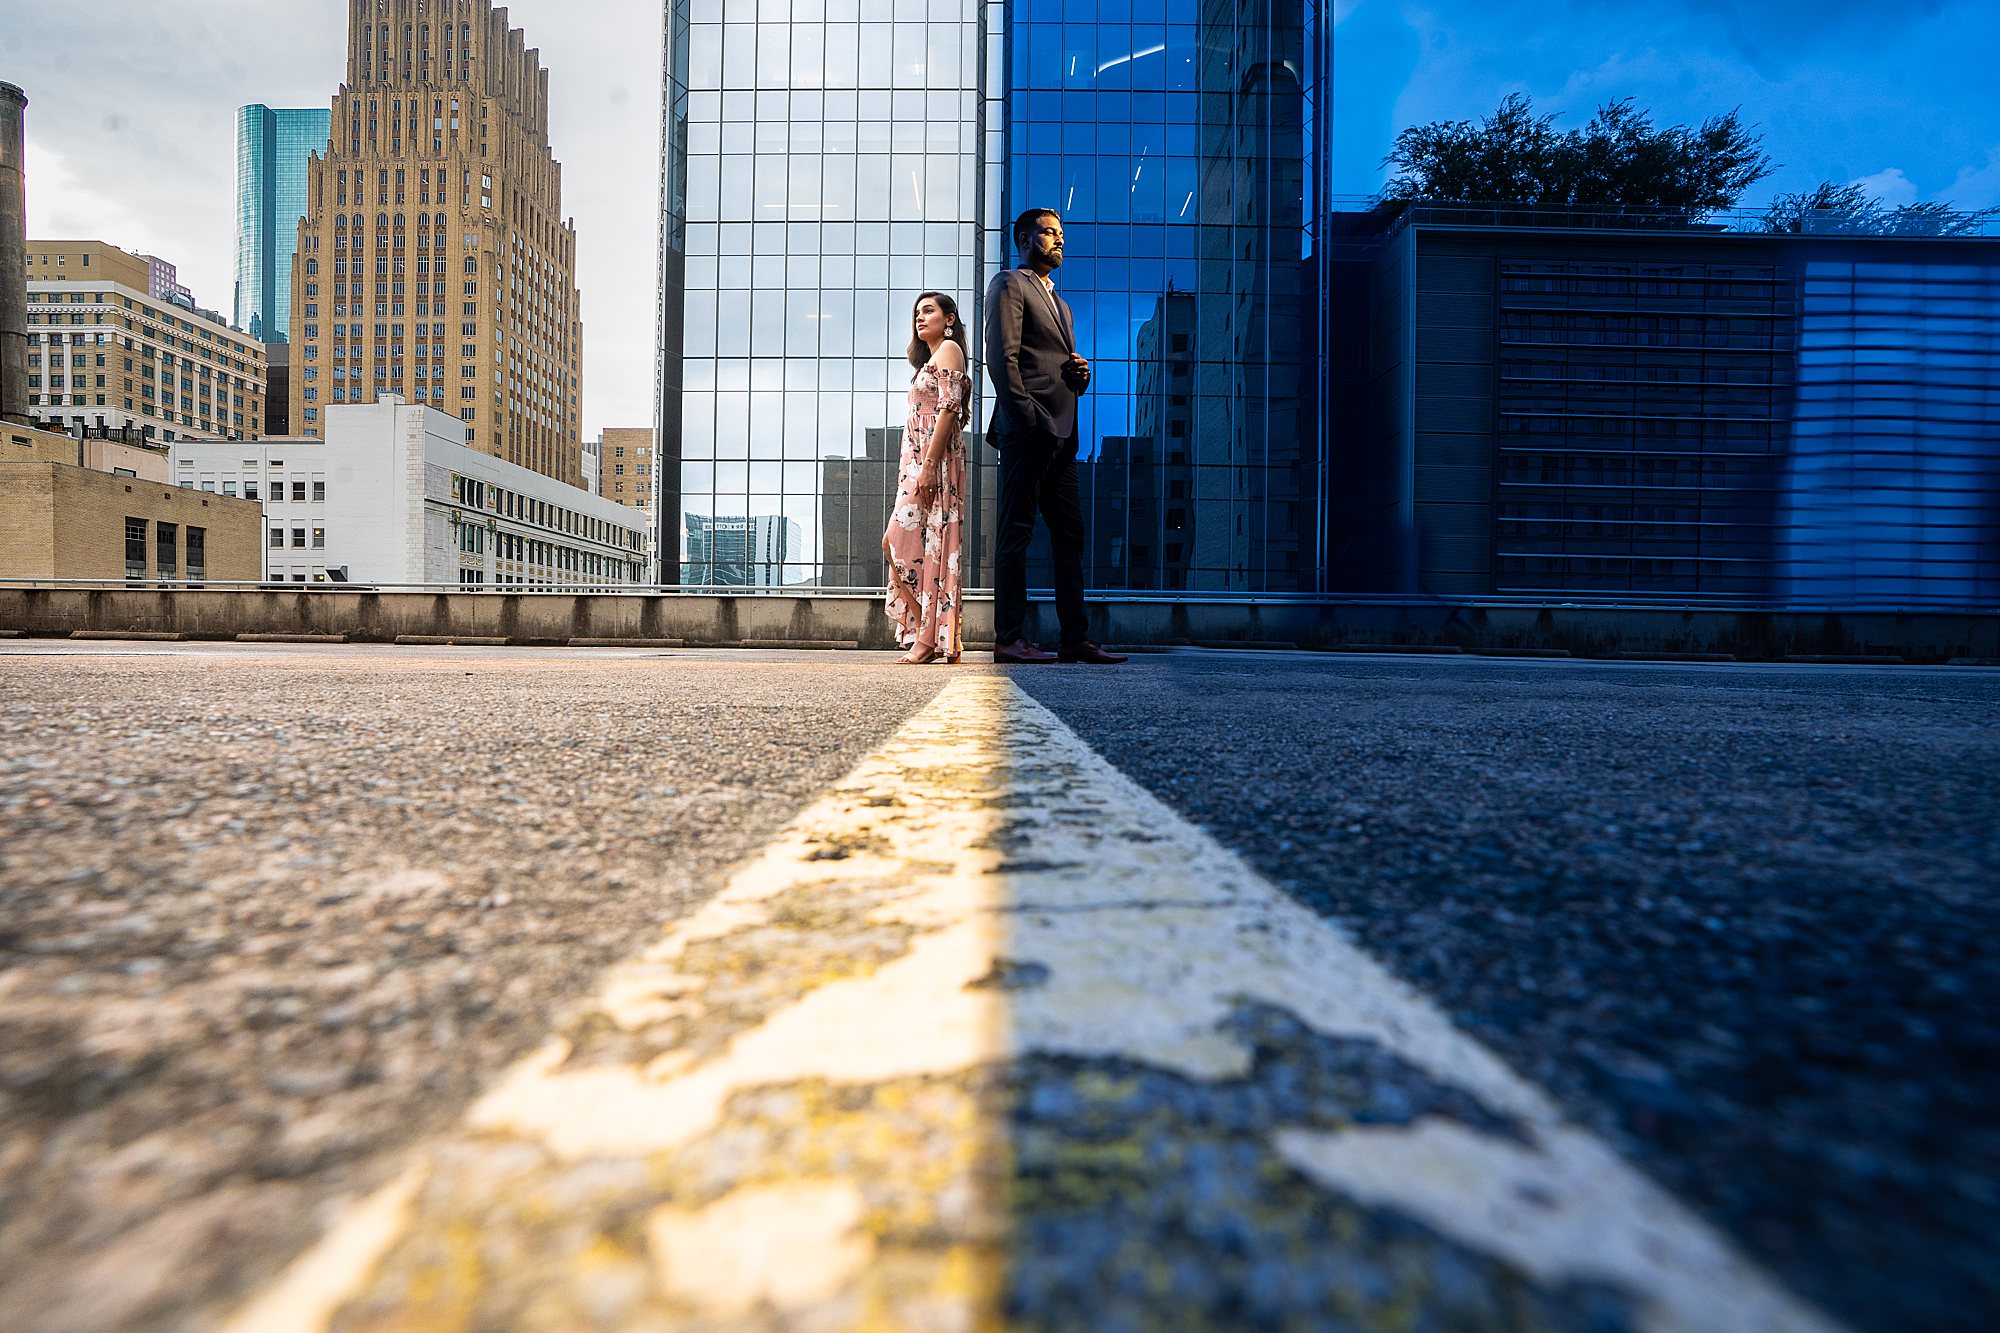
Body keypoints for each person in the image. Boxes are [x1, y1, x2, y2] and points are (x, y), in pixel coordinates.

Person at [982, 208, 1126, 665]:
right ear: (1024, 239)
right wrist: (1026, 418)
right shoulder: (1009, 283)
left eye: (1062, 233)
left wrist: (1079, 375)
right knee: (1016, 533)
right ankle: (1010, 638)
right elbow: (1001, 360)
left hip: (1063, 434)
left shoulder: (1060, 304)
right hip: (1029, 430)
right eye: (1049, 233)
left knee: (1071, 536)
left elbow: (1051, 366)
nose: (1059, 240)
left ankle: (1074, 638)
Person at [882, 291, 971, 663]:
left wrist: (931, 465)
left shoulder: (949, 350)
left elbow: (950, 409)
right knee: (904, 544)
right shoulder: (928, 361)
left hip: (934, 462)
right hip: (917, 463)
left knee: (903, 540)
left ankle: (929, 636)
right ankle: (929, 634)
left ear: (949, 319)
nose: (920, 317)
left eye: (929, 311)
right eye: (917, 312)